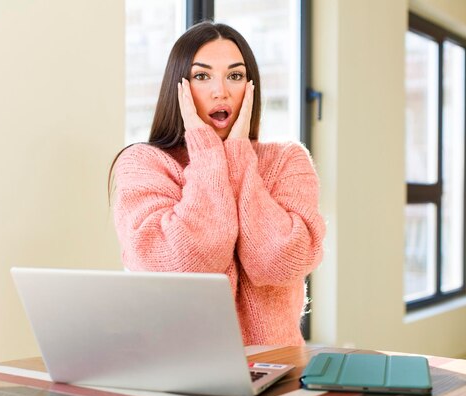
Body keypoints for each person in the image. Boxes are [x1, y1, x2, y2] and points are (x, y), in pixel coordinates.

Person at [109, 21, 325, 346]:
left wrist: (238, 155)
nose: (220, 91)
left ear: (251, 87)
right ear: (179, 88)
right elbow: (189, 266)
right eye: (202, 76)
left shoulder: (288, 160)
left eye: (235, 76)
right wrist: (208, 151)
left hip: (278, 368)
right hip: (179, 369)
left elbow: (276, 263)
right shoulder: (143, 164)